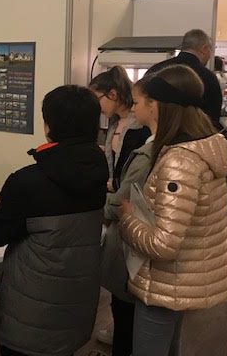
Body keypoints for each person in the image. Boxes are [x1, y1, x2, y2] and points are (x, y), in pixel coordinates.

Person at [0, 85, 108, 356]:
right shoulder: (98, 173)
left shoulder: (26, 181)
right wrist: (7, 198)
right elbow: (60, 200)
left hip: (31, 317)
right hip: (75, 306)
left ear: (48, 126)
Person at [118, 64, 227, 356]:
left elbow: (164, 244)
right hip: (183, 276)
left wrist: (127, 217)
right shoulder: (206, 145)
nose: (134, 109)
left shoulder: (178, 162)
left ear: (155, 106)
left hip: (167, 280)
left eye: (138, 102)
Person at [98, 76, 157, 356]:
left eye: (137, 103)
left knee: (127, 301)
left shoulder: (145, 144)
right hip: (122, 212)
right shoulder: (113, 125)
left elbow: (127, 195)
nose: (134, 109)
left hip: (133, 226)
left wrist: (108, 203)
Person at [90, 66, 150, 194]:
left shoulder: (140, 125)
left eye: (97, 100)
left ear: (113, 94)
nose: (95, 106)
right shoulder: (113, 124)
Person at [146, 29, 222, 128]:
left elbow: (145, 104)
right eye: (210, 50)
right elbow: (213, 118)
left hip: (156, 135)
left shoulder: (155, 70)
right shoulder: (209, 77)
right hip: (194, 138)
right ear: (204, 48)